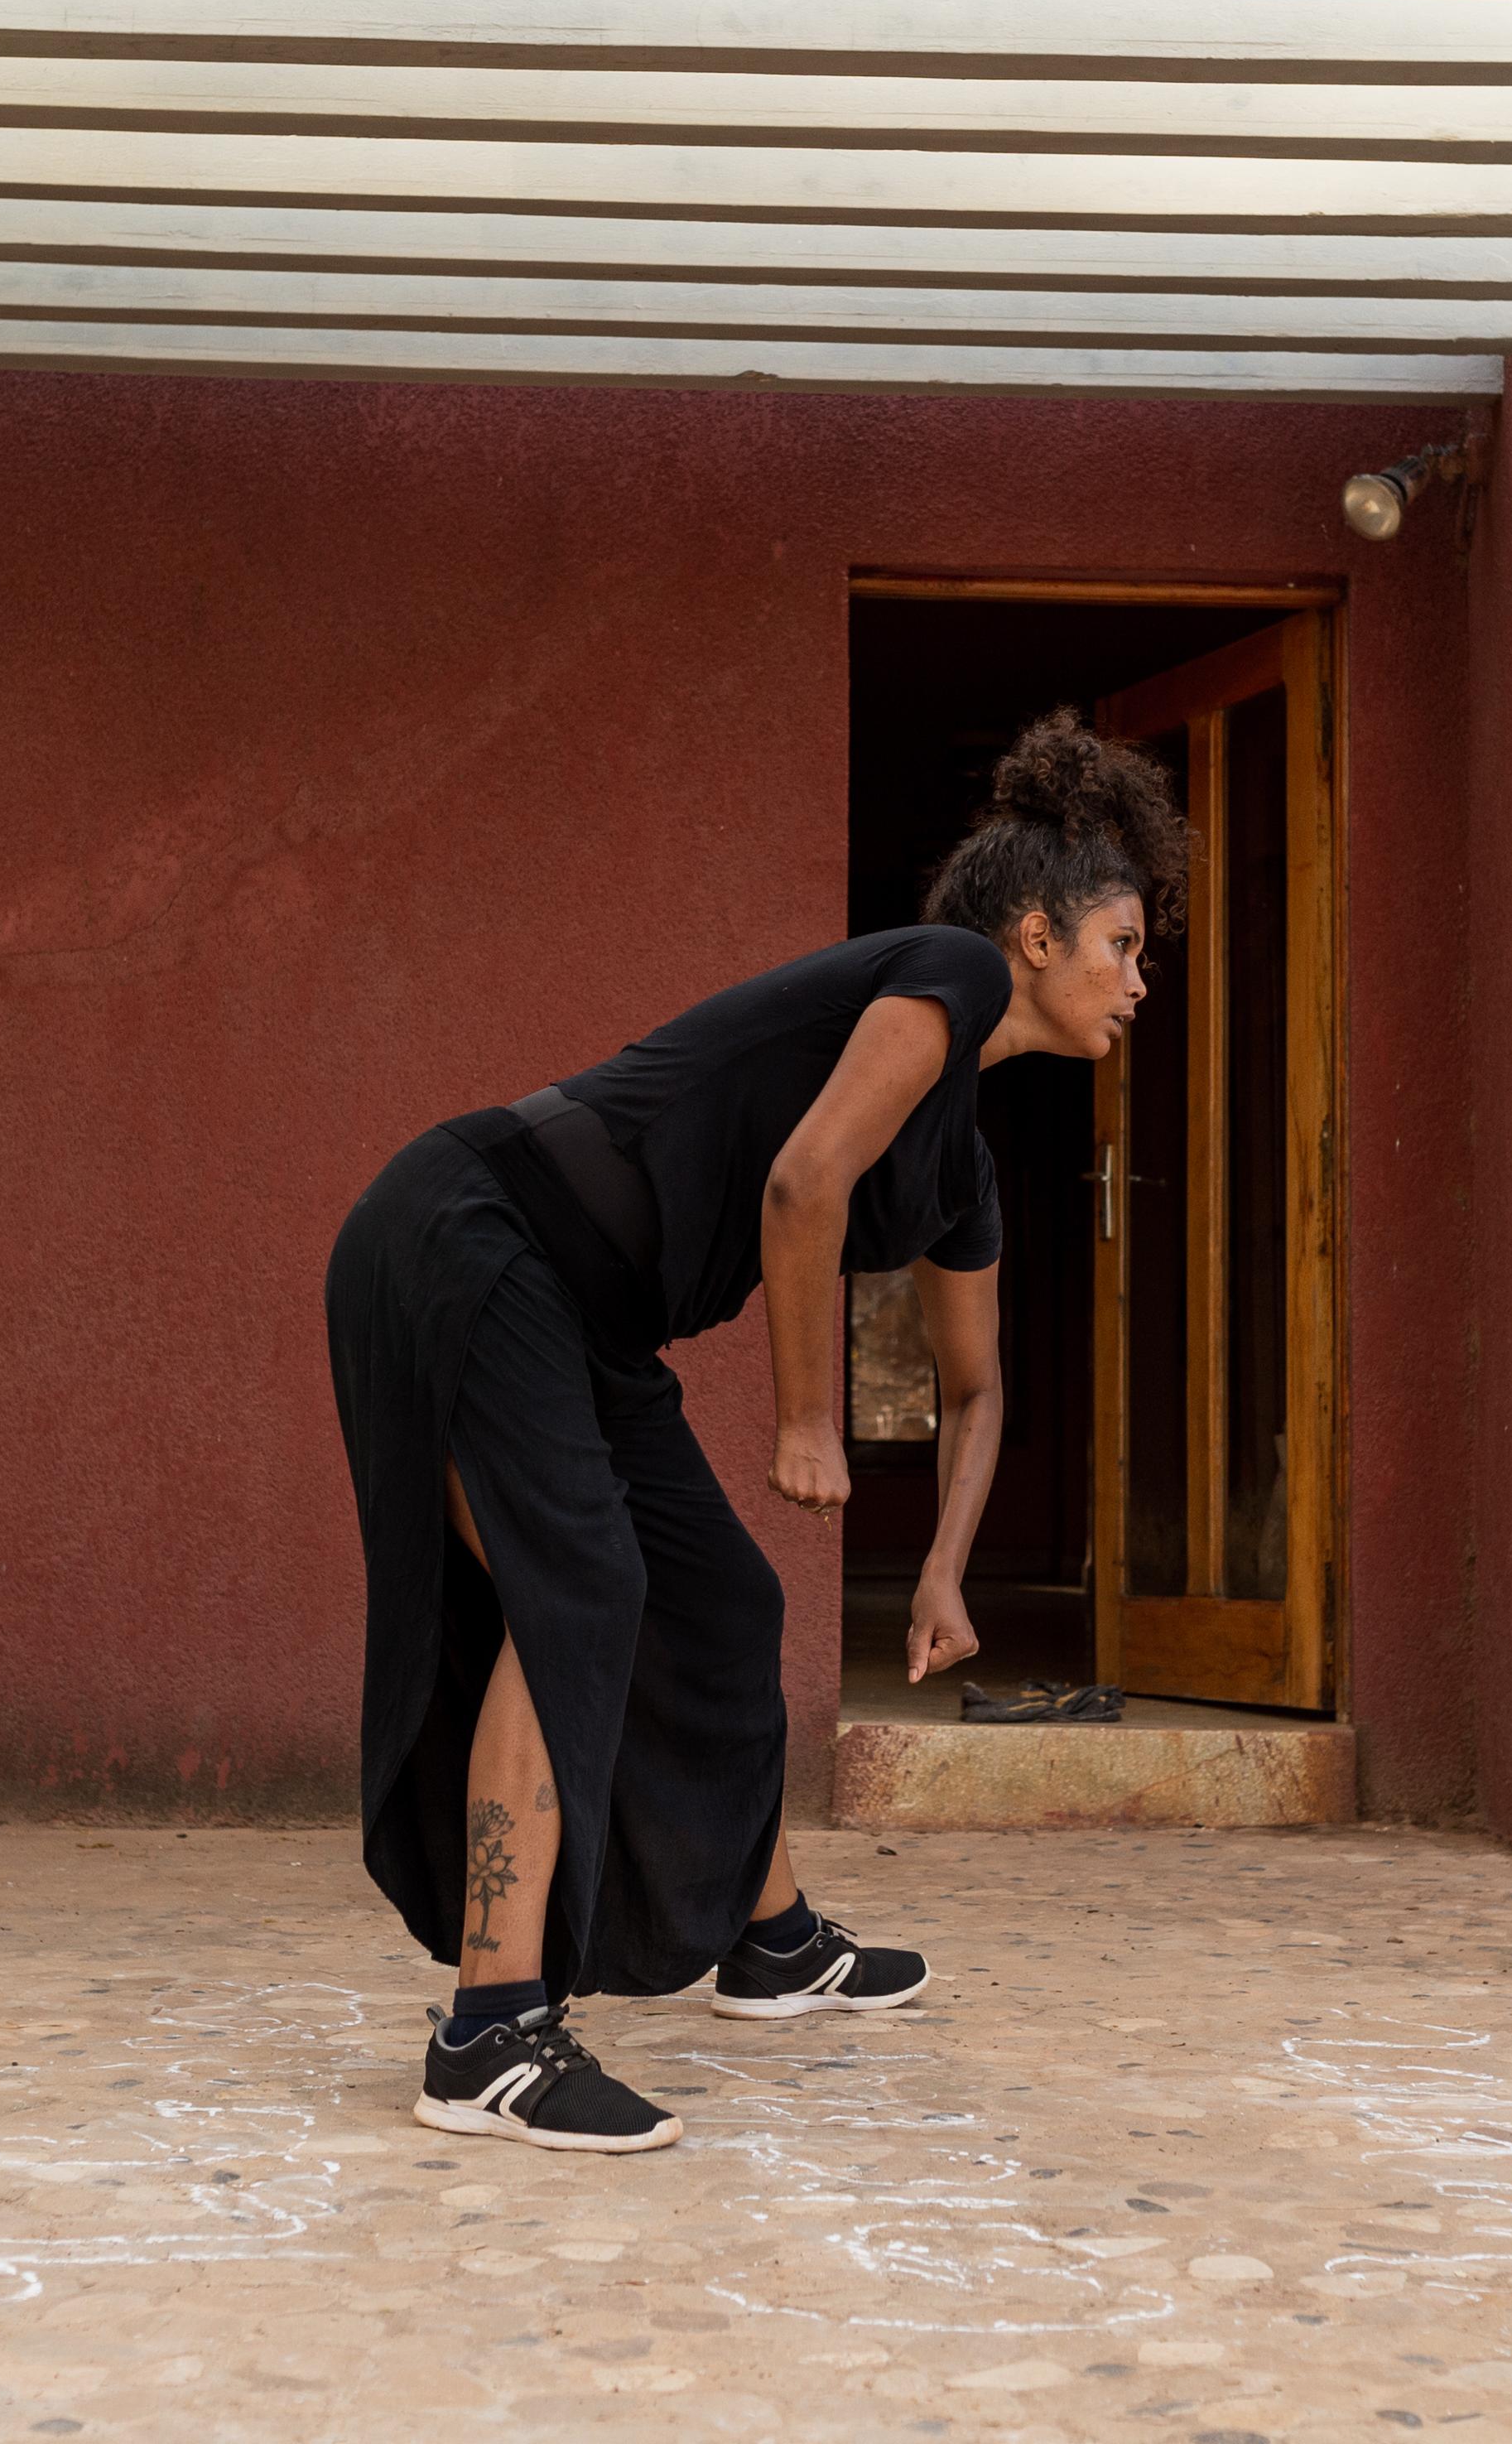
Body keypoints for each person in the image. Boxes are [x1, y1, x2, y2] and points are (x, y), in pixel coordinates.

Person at [323, 710, 1185, 2152]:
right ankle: (489, 2033)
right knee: (578, 1591)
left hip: (589, 1312)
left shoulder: (962, 1163)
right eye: (1124, 943)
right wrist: (803, 1422)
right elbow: (803, 1182)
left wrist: (943, 1573)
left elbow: (975, 1389)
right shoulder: (952, 971)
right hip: (481, 1231)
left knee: (723, 1602)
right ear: (1034, 936)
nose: (1139, 983)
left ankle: (771, 1938)